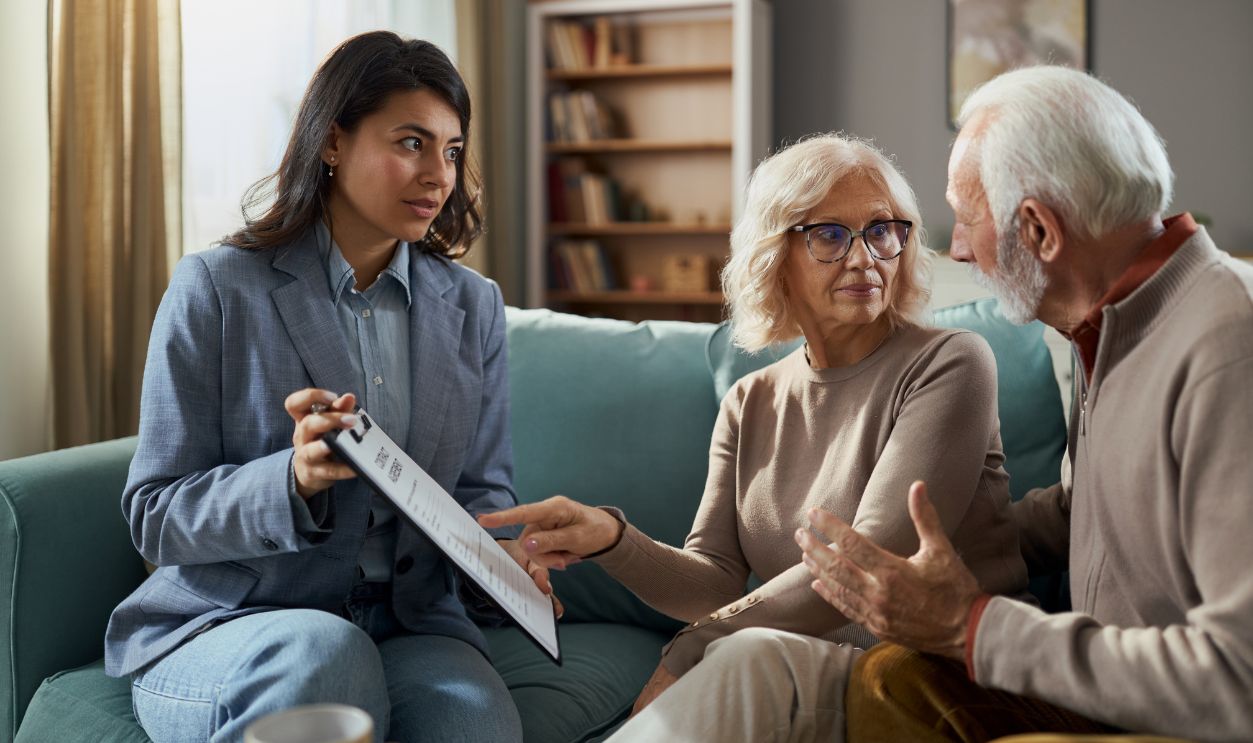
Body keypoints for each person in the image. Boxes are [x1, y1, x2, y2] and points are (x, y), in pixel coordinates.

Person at [477, 133, 1029, 740]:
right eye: (828, 234)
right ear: (775, 255)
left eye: (881, 230)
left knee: (744, 657)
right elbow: (714, 580)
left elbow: (863, 566)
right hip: (814, 661)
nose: (864, 258)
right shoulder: (752, 399)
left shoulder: (951, 362)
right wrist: (613, 538)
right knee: (745, 654)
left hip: (931, 673)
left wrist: (698, 643)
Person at [104, 32, 547, 743]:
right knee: (324, 655)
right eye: (411, 142)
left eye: (452, 149)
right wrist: (292, 478)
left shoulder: (473, 306)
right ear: (333, 142)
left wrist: (508, 560)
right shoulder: (217, 287)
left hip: (409, 625)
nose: (439, 173)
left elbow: (479, 492)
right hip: (233, 619)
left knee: (476, 722)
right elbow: (155, 514)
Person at [798, 66, 1253, 742]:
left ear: (1038, 229)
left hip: (1192, 713)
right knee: (890, 678)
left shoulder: (1225, 350)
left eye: (964, 218)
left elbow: (1237, 679)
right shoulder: (1109, 323)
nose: (954, 248)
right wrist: (943, 535)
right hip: (1110, 685)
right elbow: (1096, 511)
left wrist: (969, 623)